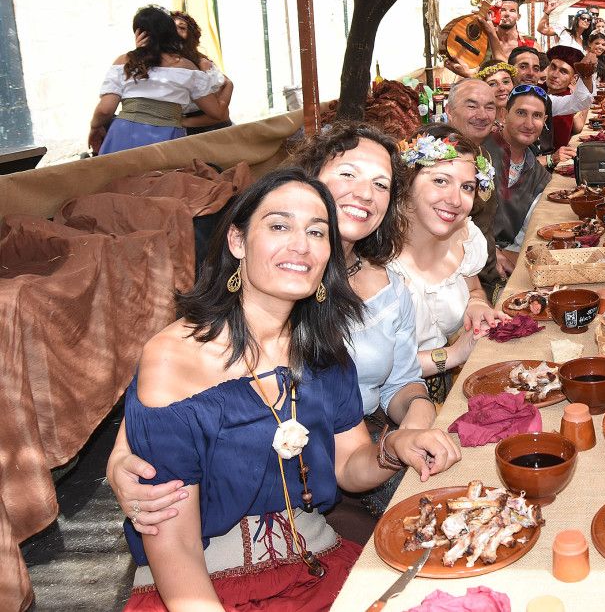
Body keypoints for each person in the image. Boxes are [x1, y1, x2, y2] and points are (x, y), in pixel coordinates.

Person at [106, 123, 463, 538]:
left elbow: (402, 383)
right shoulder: (266, 270)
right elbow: (183, 382)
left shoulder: (388, 285)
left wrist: (412, 427)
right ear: (308, 178)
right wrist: (119, 458)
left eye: (381, 185)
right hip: (264, 490)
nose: (365, 193)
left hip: (350, 461)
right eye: (348, 174)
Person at [117, 168, 432, 610]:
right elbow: (174, 548)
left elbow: (349, 467)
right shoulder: (174, 358)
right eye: (279, 225)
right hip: (204, 587)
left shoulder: (324, 349)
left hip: (318, 564)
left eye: (317, 232)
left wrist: (393, 448)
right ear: (237, 242)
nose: (301, 245)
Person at [389, 123, 507, 402]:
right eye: (440, 181)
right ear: (407, 181)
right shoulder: (377, 263)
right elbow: (375, 371)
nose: (455, 200)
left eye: (467, 187)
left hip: (451, 391)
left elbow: (475, 289)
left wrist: (477, 304)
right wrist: (454, 354)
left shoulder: (463, 236)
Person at [89, 5, 228, 155]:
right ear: (171, 33)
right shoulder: (187, 67)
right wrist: (229, 87)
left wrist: (95, 127)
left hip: (122, 136)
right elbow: (217, 113)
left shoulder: (124, 62)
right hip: (166, 140)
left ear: (138, 33)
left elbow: (105, 110)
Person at [484, 85, 555, 278]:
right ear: (504, 114)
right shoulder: (480, 153)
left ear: (545, 121)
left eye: (537, 116)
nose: (529, 124)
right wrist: (491, 251)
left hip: (508, 258)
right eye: (521, 113)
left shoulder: (538, 173)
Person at [444, 79, 503, 298]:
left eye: (490, 107)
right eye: (471, 106)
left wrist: (493, 252)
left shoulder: (482, 153)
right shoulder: (438, 160)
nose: (482, 115)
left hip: (486, 273)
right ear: (449, 111)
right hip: (458, 287)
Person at [170, 11, 234, 136]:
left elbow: (222, 114)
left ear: (190, 35)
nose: (175, 31)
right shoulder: (158, 64)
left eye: (182, 27)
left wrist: (183, 122)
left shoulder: (202, 64)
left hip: (210, 134)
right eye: (171, 27)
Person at [477, 60, 518, 128]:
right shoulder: (478, 125)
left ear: (513, 84)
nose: (501, 88)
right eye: (492, 84)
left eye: (505, 82)